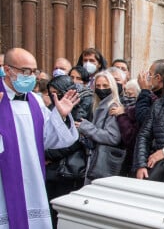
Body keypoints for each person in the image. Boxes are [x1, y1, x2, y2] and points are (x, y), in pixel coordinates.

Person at [0, 48, 79, 229]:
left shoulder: (36, 101)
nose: (32, 77)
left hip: (32, 179)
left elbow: (49, 139)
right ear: (7, 69)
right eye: (25, 71)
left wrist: (60, 116)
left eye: (34, 71)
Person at [45, 75, 86, 228]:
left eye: (57, 92)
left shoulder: (78, 111)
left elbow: (74, 142)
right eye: (51, 93)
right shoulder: (50, 109)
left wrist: (49, 155)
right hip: (50, 169)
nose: (54, 96)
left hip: (66, 169)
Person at [75, 70, 122, 184]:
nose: (101, 88)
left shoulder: (113, 106)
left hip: (103, 163)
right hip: (95, 160)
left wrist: (86, 127)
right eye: (98, 85)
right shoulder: (98, 105)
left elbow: (113, 137)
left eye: (105, 85)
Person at [135, 59, 164, 127]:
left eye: (150, 74)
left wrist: (144, 90)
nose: (147, 77)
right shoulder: (155, 94)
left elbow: (143, 118)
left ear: (158, 78)